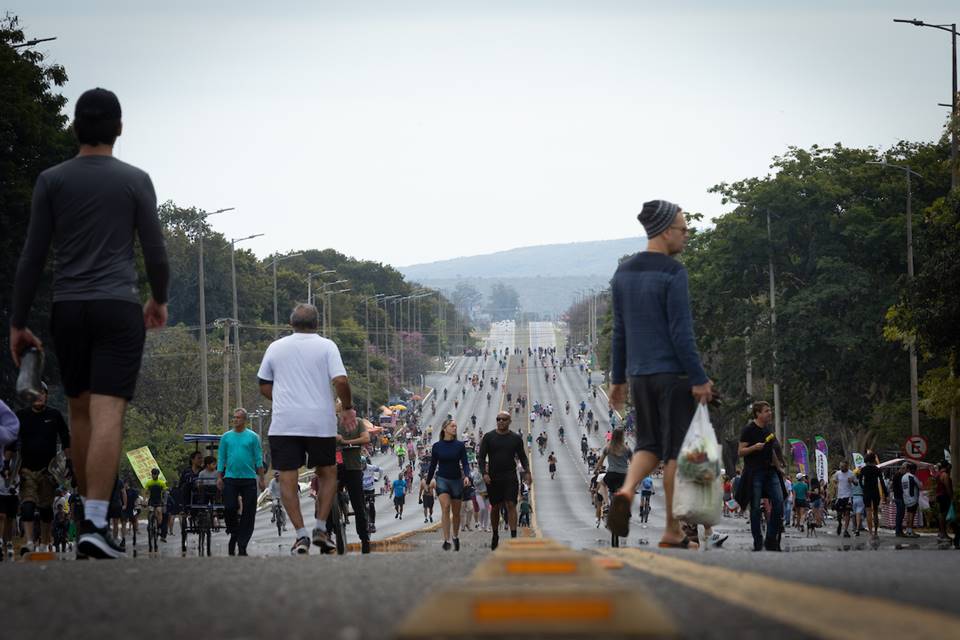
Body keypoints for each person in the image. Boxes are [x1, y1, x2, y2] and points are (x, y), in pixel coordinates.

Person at [10, 88, 170, 559]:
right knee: (108, 415)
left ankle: (85, 519)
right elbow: (156, 253)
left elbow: (32, 257)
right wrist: (157, 299)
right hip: (118, 307)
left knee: (79, 413)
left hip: (69, 307)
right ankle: (96, 525)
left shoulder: (51, 181)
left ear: (76, 128)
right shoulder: (135, 180)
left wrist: (18, 321)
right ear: (118, 128)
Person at [607, 200, 713, 550]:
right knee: (673, 453)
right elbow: (682, 333)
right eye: (683, 229)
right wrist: (698, 377)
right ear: (666, 230)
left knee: (648, 444)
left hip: (640, 377)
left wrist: (618, 379)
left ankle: (625, 490)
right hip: (673, 376)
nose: (686, 235)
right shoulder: (672, 272)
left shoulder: (623, 273)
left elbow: (619, 332)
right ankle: (671, 529)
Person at [257, 303, 356, 555]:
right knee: (328, 472)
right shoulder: (327, 346)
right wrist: (347, 407)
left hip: (284, 423)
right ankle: (321, 528)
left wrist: (284, 399)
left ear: (291, 324)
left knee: (288, 477)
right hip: (318, 422)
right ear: (317, 324)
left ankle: (301, 536)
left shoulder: (275, 347)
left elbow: (264, 385)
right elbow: (341, 380)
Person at [7, 383, 71, 555]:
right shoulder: (21, 416)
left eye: (42, 393)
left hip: (48, 472)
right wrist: (6, 464)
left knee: (45, 509)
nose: (39, 396)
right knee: (27, 507)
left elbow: (66, 439)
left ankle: (44, 543)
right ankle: (28, 542)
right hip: (27, 470)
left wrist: (70, 462)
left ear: (46, 395)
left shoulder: (54, 415)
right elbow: (12, 442)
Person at [736, 401, 786, 551]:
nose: (769, 413)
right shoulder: (748, 430)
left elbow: (771, 452)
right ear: (758, 413)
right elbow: (740, 452)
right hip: (754, 472)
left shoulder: (768, 430)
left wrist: (779, 468)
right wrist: (754, 447)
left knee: (779, 502)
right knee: (756, 508)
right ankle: (758, 540)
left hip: (770, 471)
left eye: (770, 410)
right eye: (766, 411)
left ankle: (771, 538)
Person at [478, 411, 531, 550]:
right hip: (493, 477)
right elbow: (481, 458)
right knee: (495, 507)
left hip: (510, 476)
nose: (501, 421)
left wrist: (527, 472)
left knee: (511, 505)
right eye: (498, 419)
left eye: (504, 419)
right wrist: (484, 473)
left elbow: (523, 457)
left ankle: (513, 538)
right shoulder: (489, 437)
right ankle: (495, 534)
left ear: (509, 421)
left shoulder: (515, 438)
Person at [426, 418, 471, 551]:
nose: (455, 428)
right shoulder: (437, 446)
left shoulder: (460, 445)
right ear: (445, 428)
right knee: (445, 507)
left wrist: (467, 476)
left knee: (456, 513)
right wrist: (428, 482)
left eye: (456, 426)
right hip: (442, 480)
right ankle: (446, 540)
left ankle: (455, 536)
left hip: (457, 480)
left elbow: (465, 463)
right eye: (452, 426)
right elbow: (432, 466)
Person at [334, 406, 372, 554]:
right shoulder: (332, 424)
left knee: (358, 504)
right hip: (334, 467)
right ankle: (327, 531)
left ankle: (364, 538)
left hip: (353, 466)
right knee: (323, 498)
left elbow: (366, 438)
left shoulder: (358, 422)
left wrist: (345, 441)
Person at [177, 451, 203, 552]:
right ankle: (185, 509)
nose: (201, 460)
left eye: (201, 458)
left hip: (200, 494)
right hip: (188, 495)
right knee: (185, 486)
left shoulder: (204, 471)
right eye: (198, 458)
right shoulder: (186, 471)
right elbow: (180, 485)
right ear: (192, 460)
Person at [832, 460, 856, 538]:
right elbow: (834, 481)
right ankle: (839, 523)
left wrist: (852, 481)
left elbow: (856, 483)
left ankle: (845, 530)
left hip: (848, 496)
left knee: (847, 513)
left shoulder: (851, 473)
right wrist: (835, 484)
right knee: (839, 514)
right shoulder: (838, 473)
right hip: (840, 496)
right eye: (840, 466)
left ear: (847, 466)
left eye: (843, 466)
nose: (841, 468)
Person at [144, 468, 166, 542]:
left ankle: (159, 527)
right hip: (151, 500)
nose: (153, 475)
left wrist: (164, 500)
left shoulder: (161, 483)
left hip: (158, 500)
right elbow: (146, 492)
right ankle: (150, 523)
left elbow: (164, 492)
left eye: (155, 474)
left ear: (158, 475)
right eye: (153, 474)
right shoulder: (149, 483)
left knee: (159, 511)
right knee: (150, 511)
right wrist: (144, 501)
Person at [935, 462, 954, 543]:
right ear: (946, 467)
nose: (950, 469)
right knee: (944, 515)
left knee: (941, 514)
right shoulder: (945, 475)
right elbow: (947, 487)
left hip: (939, 495)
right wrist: (951, 496)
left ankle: (941, 533)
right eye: (949, 467)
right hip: (944, 496)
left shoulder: (939, 474)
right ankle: (943, 533)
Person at [901, 462, 921, 538]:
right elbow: (920, 485)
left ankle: (908, 531)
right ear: (911, 469)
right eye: (914, 469)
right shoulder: (912, 477)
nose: (915, 471)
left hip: (906, 498)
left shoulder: (903, 477)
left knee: (908, 514)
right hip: (913, 498)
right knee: (911, 515)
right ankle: (910, 531)